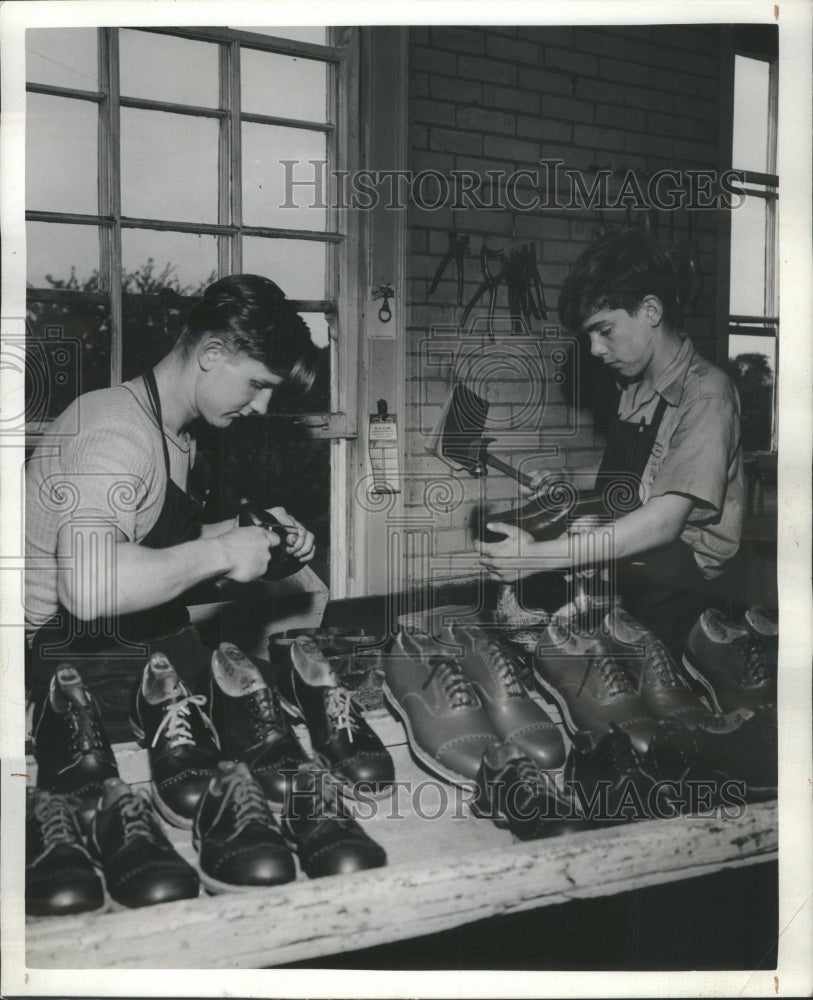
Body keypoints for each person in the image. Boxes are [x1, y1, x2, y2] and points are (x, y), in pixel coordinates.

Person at [25, 274, 320, 712]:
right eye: (258, 385)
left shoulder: (172, 429)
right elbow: (87, 588)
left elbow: (148, 541)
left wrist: (252, 535)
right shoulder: (116, 432)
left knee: (271, 699)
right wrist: (224, 553)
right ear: (212, 354)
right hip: (62, 657)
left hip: (122, 636)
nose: (262, 407)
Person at [478, 230, 744, 663]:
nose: (595, 349)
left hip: (682, 591)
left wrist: (537, 558)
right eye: (589, 336)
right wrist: (573, 482)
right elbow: (639, 478)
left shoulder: (707, 395)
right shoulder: (634, 385)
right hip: (633, 570)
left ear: (651, 310)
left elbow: (662, 523)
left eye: (604, 330)